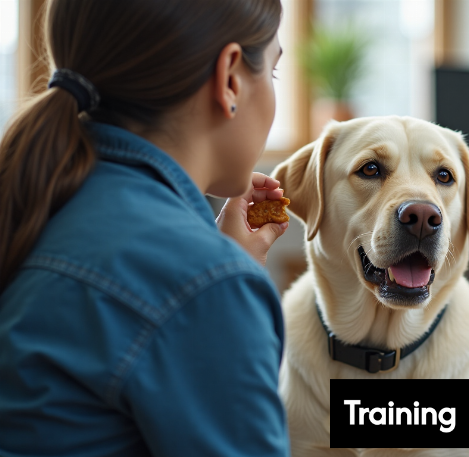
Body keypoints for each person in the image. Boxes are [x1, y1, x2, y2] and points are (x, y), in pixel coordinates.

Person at [0, 0, 291, 455]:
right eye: (272, 73)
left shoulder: (33, 201)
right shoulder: (206, 285)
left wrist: (223, 261)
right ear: (231, 77)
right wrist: (219, 280)